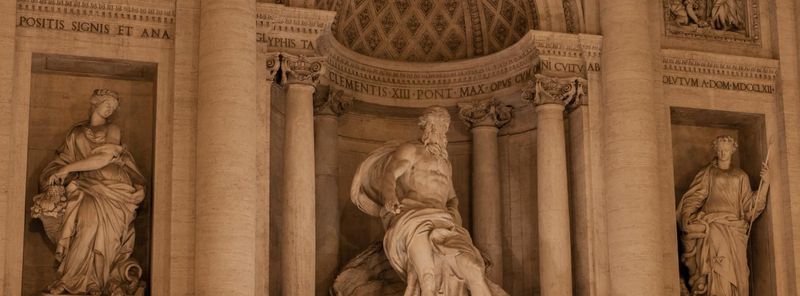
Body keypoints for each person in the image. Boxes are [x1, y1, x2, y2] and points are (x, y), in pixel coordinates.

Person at [350, 106, 507, 296]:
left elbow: (452, 198)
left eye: (442, 126)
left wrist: (453, 216)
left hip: (445, 223)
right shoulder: (410, 150)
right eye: (433, 125)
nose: (437, 131)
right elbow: (390, 174)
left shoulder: (445, 163)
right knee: (427, 278)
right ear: (424, 127)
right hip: (413, 219)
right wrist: (389, 196)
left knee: (473, 267)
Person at [36, 89, 146, 295]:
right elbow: (61, 162)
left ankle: (99, 282)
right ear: (94, 102)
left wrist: (68, 169)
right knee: (88, 225)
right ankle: (72, 280)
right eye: (107, 104)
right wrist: (56, 175)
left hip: (115, 188)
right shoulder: (75, 133)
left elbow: (105, 158)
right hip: (88, 187)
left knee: (109, 238)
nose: (110, 109)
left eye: (113, 107)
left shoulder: (113, 129)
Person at [677, 135, 768, 296]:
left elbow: (749, 207)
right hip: (715, 225)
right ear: (716, 150)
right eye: (720, 150)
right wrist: (686, 214)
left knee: (739, 270)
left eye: (726, 150)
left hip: (736, 229)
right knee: (719, 268)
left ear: (732, 150)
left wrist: (766, 184)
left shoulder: (741, 176)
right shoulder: (708, 173)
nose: (723, 153)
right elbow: (695, 197)